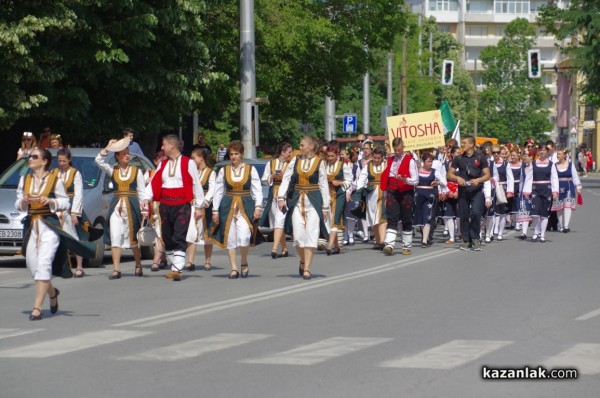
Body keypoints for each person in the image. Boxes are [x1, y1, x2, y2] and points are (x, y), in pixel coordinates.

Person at [16, 148, 94, 320]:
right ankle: (52, 293)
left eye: (34, 156)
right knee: (32, 266)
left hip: (49, 226)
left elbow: (65, 201)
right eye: (30, 156)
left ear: (44, 161)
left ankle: (36, 307)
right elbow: (17, 202)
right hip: (32, 225)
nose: (30, 159)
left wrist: (51, 200)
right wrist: (23, 201)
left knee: (43, 263)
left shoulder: (54, 180)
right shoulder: (25, 179)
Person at [144, 134, 205, 281]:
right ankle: (175, 266)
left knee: (179, 235)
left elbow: (196, 184)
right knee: (167, 237)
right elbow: (155, 183)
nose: (162, 147)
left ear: (172, 145)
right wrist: (145, 199)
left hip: (182, 205)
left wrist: (198, 207)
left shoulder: (188, 162)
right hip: (165, 205)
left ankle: (177, 268)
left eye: (164, 144)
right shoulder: (163, 164)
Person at [278, 136, 330, 280]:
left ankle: (307, 268)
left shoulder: (319, 162)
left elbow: (323, 184)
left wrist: (325, 207)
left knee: (311, 235)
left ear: (311, 146)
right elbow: (287, 178)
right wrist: (281, 197)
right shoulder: (296, 160)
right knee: (298, 237)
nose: (300, 148)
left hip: (313, 201)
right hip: (297, 200)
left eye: (302, 145)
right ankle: (303, 259)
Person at [96, 139, 147, 279]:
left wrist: (145, 210)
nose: (127, 156)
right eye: (123, 154)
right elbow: (99, 161)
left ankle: (138, 264)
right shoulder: (113, 170)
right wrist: (107, 148)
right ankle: (116, 269)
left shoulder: (136, 171)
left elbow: (142, 192)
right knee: (115, 235)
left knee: (134, 236)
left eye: (128, 153)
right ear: (117, 156)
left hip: (132, 206)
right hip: (116, 206)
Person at [211, 141, 263, 279]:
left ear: (242, 154)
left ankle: (244, 262)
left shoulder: (250, 169)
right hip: (227, 206)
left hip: (245, 206)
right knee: (229, 238)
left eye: (236, 154)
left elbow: (257, 190)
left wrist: (258, 207)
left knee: (244, 236)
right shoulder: (224, 170)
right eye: (231, 154)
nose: (233, 157)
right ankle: (233, 268)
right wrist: (215, 210)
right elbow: (218, 191)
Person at [447, 135, 491, 251]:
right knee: (464, 216)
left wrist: (478, 180)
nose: (462, 145)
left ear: (471, 144)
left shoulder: (481, 158)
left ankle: (476, 238)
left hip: (476, 191)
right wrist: (457, 179)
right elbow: (449, 174)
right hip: (463, 191)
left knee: (476, 213)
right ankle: (466, 241)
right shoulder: (458, 158)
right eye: (462, 143)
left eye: (464, 143)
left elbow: (487, 175)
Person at [52, 148, 90, 278]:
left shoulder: (75, 173)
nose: (61, 163)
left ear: (69, 160)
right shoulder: (54, 172)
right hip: (57, 207)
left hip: (70, 207)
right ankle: (59, 266)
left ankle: (79, 266)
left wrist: (75, 213)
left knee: (74, 237)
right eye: (59, 161)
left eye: (64, 160)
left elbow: (79, 194)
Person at [380, 137, 418, 255]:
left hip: (406, 192)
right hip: (392, 191)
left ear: (403, 148)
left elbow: (416, 180)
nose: (397, 152)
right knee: (392, 217)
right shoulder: (390, 160)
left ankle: (406, 246)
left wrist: (405, 179)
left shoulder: (410, 161)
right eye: (395, 150)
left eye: (399, 150)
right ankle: (389, 245)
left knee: (406, 218)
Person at [260, 142, 293, 259]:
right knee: (277, 224)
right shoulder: (271, 163)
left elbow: (293, 179)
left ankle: (274, 248)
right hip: (273, 193)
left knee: (279, 220)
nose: (291, 154)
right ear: (282, 152)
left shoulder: (291, 164)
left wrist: (285, 176)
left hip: (284, 195)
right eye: (289, 152)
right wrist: (273, 176)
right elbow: (264, 179)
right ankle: (284, 248)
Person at [185, 148, 216, 271]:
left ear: (201, 158)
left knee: (207, 234)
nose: (192, 161)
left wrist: (204, 202)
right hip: (192, 205)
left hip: (205, 206)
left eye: (194, 158)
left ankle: (207, 261)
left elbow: (213, 189)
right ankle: (190, 261)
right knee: (191, 233)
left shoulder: (210, 172)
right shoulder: (191, 172)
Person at [521, 144, 559, 243]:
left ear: (547, 152)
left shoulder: (551, 164)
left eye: (544, 150)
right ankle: (535, 233)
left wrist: (555, 191)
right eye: (540, 150)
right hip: (535, 190)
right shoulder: (533, 163)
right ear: (538, 152)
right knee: (535, 213)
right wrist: (526, 190)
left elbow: (554, 178)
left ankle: (542, 235)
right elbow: (529, 178)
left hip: (547, 189)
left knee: (544, 214)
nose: (542, 152)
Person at [354, 146, 388, 250]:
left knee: (382, 216)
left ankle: (382, 240)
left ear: (382, 157)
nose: (376, 160)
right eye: (375, 158)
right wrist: (359, 191)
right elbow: (362, 178)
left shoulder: (387, 164)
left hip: (384, 192)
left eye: (379, 158)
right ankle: (377, 241)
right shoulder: (368, 165)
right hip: (371, 194)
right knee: (373, 218)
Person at [413, 153, 447, 248]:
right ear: (423, 162)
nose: (430, 163)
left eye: (431, 161)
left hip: (430, 196)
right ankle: (425, 236)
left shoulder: (434, 172)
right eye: (428, 161)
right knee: (420, 217)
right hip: (419, 196)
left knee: (428, 216)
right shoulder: (417, 171)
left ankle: (424, 240)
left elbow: (444, 181)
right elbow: (411, 181)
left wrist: (438, 182)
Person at [324, 144, 352, 255]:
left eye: (332, 156)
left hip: (339, 194)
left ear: (336, 155)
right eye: (328, 156)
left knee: (335, 218)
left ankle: (330, 246)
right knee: (328, 218)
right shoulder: (324, 165)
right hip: (326, 194)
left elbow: (349, 181)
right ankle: (336, 246)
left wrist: (339, 182)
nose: (330, 158)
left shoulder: (342, 166)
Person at [144, 150, 168, 272]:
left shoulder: (167, 173)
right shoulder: (148, 173)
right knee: (156, 235)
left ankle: (155, 261)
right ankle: (163, 258)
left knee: (159, 234)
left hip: (162, 207)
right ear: (155, 161)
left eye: (164, 159)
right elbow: (143, 191)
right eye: (159, 159)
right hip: (151, 207)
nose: (162, 161)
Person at [551, 148, 582, 233]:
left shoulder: (570, 165)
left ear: (564, 155)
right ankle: (561, 226)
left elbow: (575, 176)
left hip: (569, 187)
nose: (558, 156)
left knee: (567, 206)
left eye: (560, 154)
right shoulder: (554, 165)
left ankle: (566, 226)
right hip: (558, 188)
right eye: (557, 154)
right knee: (559, 208)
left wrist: (578, 188)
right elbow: (552, 178)